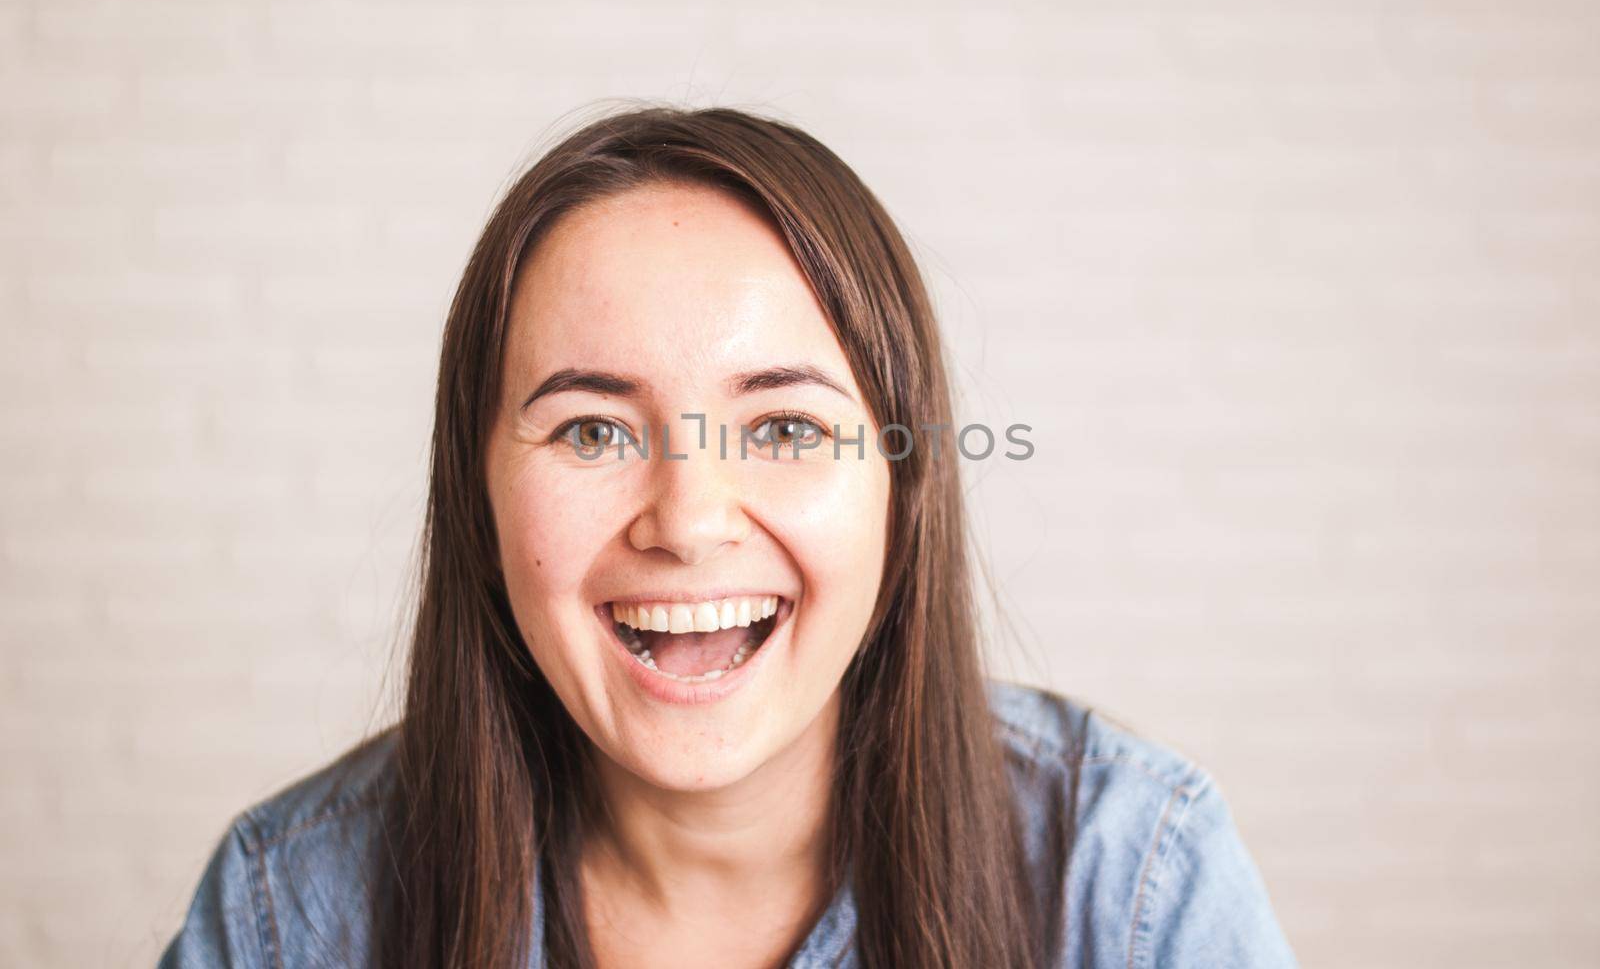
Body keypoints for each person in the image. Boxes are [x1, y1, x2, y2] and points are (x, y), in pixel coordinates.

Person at [157, 105, 1298, 968]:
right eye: (594, 428)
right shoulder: (288, 906)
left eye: (786, 426)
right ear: (477, 493)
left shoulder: (1131, 876)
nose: (690, 519)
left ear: (904, 487)